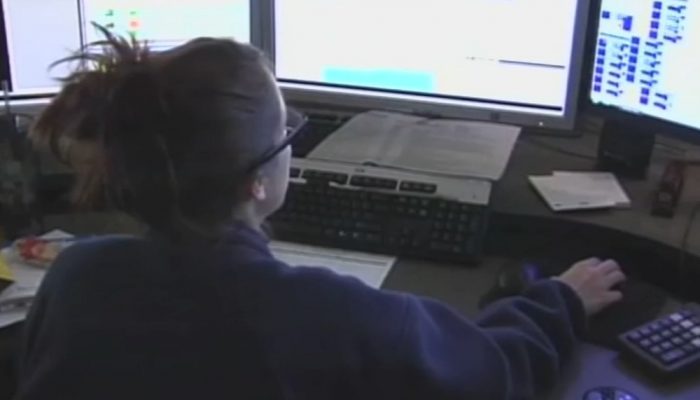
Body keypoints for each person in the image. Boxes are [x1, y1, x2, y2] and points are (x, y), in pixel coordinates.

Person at [15, 29, 626, 400]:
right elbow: (493, 373)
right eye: (288, 131)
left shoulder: (76, 277)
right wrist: (560, 302)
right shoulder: (329, 314)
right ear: (258, 180)